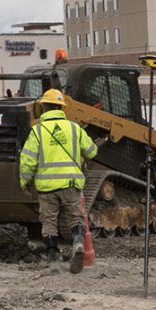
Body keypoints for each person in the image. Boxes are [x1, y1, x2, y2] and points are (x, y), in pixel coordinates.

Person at [19, 88, 98, 274]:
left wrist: (25, 182)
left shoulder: (37, 131)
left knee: (49, 222)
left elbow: (27, 160)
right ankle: (78, 244)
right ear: (62, 107)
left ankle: (54, 259)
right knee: (76, 218)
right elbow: (92, 151)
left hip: (47, 187)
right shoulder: (74, 128)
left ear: (44, 107)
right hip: (71, 183)